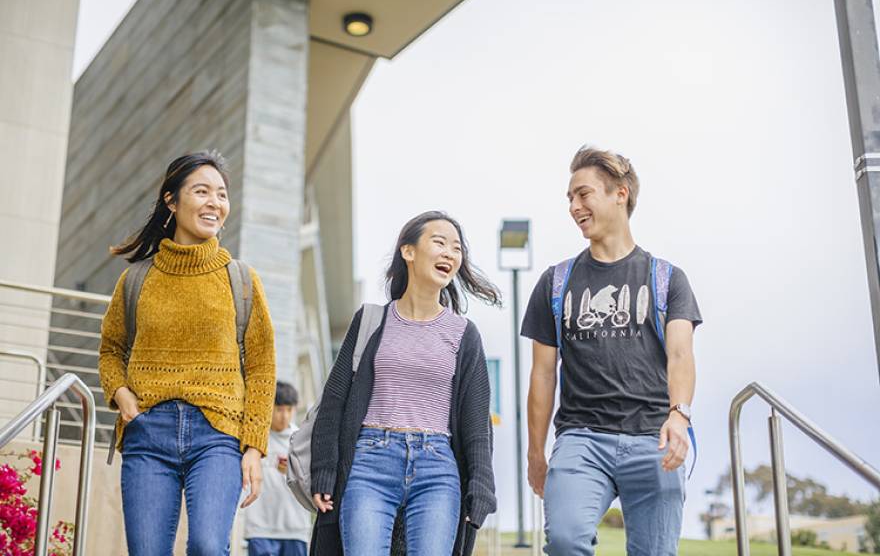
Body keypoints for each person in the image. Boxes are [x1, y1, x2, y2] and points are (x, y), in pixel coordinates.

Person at [522, 146, 702, 555]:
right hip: (581, 438)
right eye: (570, 198)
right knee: (565, 542)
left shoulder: (667, 279)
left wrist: (679, 415)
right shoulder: (555, 283)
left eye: (583, 194)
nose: (573, 206)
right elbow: (542, 374)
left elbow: (680, 356)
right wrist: (536, 452)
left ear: (620, 194)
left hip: (653, 437)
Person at [98, 150, 276, 555]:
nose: (215, 202)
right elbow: (111, 349)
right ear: (172, 201)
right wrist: (122, 396)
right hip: (148, 431)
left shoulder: (241, 280)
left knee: (210, 546)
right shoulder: (137, 278)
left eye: (222, 194)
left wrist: (253, 446)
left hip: (218, 436)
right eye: (201, 191)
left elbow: (262, 367)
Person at [309, 211, 499, 556]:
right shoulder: (370, 321)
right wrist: (323, 471)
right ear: (408, 252)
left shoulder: (463, 334)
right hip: (369, 463)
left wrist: (481, 486)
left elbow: (476, 421)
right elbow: (334, 400)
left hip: (437, 469)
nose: (449, 254)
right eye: (439, 242)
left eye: (456, 248)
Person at [244, 381, 312, 556]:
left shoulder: (301, 440)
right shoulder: (255, 440)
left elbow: (312, 482)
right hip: (260, 527)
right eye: (279, 409)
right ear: (269, 407)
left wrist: (292, 471)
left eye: (289, 410)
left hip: (295, 527)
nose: (285, 416)